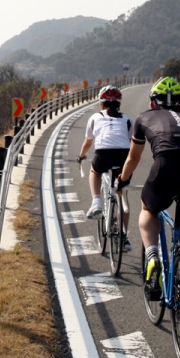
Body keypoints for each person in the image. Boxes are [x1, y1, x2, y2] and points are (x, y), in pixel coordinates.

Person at [116, 77, 180, 300]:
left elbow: (133, 157)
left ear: (151, 103)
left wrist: (122, 180)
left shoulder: (144, 117)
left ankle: (153, 256)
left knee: (148, 210)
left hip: (166, 166)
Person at [76, 85, 132, 252]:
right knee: (122, 196)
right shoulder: (127, 119)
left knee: (95, 171)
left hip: (103, 154)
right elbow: (132, 141)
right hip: (123, 156)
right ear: (119, 104)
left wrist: (80, 155)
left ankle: (96, 202)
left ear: (101, 104)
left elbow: (88, 142)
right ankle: (124, 236)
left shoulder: (95, 117)